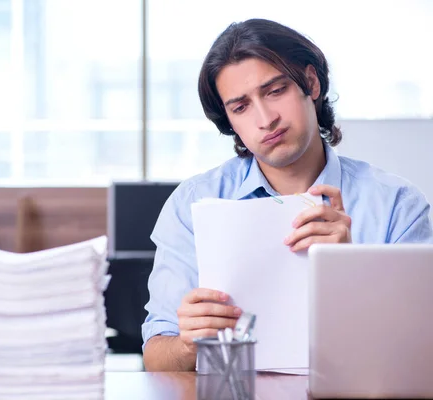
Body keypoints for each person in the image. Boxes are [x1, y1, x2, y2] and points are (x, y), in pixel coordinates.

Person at [141, 18, 433, 372]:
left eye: (275, 91)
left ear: (310, 83)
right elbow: (156, 356)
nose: (265, 119)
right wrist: (188, 344)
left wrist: (352, 273)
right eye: (241, 107)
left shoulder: (396, 206)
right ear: (229, 122)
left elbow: (419, 353)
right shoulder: (193, 204)